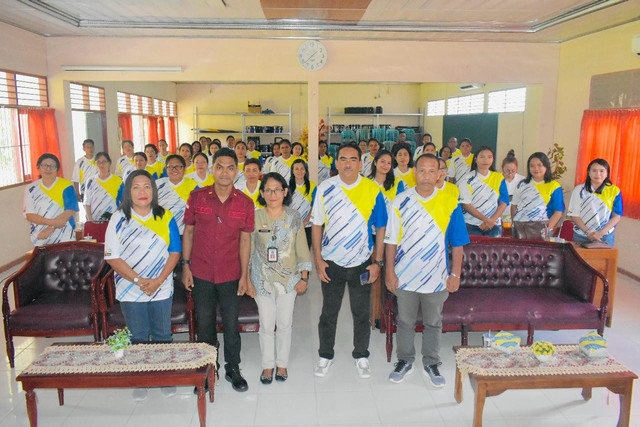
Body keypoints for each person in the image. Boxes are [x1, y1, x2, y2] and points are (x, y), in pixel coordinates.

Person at [385, 154, 469, 387]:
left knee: (433, 322)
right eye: (422, 171)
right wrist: (389, 272)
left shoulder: (450, 203)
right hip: (405, 276)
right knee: (405, 321)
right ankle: (405, 360)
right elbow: (391, 241)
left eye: (432, 171)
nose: (426, 176)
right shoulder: (400, 201)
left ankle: (431, 362)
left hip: (436, 277)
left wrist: (455, 274)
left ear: (440, 174)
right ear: (414, 172)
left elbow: (458, 243)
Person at [311, 142, 388, 379]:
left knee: (361, 312)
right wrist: (318, 260)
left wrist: (377, 262)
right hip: (332, 263)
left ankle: (361, 354)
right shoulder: (324, 188)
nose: (347, 163)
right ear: (336, 163)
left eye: (353, 159)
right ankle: (325, 355)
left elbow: (381, 227)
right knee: (328, 313)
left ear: (361, 162)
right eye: (343, 159)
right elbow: (316, 225)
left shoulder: (373, 190)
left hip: (362, 264)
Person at [104, 169, 181, 401]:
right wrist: (138, 280)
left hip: (161, 286)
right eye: (136, 187)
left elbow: (175, 251)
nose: (142, 191)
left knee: (162, 334)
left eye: (147, 186)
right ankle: (141, 379)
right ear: (128, 192)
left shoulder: (165, 216)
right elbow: (111, 256)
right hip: (130, 289)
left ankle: (164, 376)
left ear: (153, 190)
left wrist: (157, 281)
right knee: (137, 335)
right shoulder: (118, 218)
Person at [182, 147, 255, 393]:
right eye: (220, 167)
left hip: (231, 275)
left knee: (232, 325)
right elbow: (189, 232)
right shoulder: (197, 197)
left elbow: (246, 241)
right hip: (201, 272)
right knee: (205, 325)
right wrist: (186, 266)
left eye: (230, 167)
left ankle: (233, 368)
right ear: (212, 169)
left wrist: (245, 276)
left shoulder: (245, 203)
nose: (225, 172)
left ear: (237, 171)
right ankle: (207, 369)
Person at [248, 172, 312, 384]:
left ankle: (282, 363)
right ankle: (268, 365)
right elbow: (247, 250)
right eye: (268, 189)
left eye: (277, 189)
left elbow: (302, 247)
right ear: (262, 193)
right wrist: (247, 279)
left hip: (289, 279)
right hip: (261, 279)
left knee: (284, 323)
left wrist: (304, 277)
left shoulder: (293, 217)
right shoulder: (255, 216)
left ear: (285, 192)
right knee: (266, 324)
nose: (273, 194)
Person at [24, 154, 79, 245]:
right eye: (45, 165)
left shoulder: (66, 185)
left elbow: (70, 210)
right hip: (40, 234)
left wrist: (51, 227)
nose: (48, 169)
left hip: (64, 234)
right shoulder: (30, 188)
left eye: (52, 166)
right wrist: (52, 223)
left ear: (57, 169)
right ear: (39, 167)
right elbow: (29, 215)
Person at [567, 158, 623, 246]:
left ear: (607, 173)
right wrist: (588, 232)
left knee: (603, 260)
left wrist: (601, 233)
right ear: (588, 172)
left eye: (602, 171)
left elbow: (616, 217)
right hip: (581, 235)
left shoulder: (614, 191)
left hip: (605, 236)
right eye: (594, 170)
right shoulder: (579, 190)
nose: (598, 174)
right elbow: (574, 215)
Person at [511, 152, 565, 239]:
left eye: (539, 165)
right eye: (532, 166)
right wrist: (515, 224)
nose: (536, 168)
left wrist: (546, 230)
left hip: (542, 229)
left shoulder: (554, 186)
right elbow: (514, 206)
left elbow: (558, 212)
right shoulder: (522, 184)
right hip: (520, 228)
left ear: (546, 166)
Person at [458, 146, 509, 237]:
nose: (486, 160)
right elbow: (466, 204)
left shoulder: (499, 178)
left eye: (489, 157)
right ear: (475, 159)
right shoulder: (467, 179)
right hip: (471, 224)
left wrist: (491, 221)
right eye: (482, 157)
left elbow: (504, 202)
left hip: (494, 225)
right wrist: (487, 220)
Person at [156, 154, 199, 234]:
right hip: (163, 231)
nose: (174, 169)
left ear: (184, 168)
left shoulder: (192, 184)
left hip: (186, 232)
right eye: (170, 167)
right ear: (166, 169)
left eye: (178, 166)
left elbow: (199, 210)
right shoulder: (158, 184)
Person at [83, 152, 124, 221]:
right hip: (94, 221)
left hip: (112, 221)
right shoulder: (90, 181)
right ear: (95, 164)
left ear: (109, 163)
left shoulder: (118, 181)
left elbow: (124, 202)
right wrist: (90, 220)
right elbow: (87, 203)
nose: (101, 164)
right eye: (98, 162)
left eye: (104, 162)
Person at [288, 159, 317, 248]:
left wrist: (305, 221)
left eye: (302, 169)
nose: (299, 171)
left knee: (305, 252)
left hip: (307, 226)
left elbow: (315, 206)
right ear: (292, 171)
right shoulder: (287, 186)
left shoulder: (312, 186)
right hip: (290, 225)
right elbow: (284, 206)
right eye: (296, 169)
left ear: (305, 171)